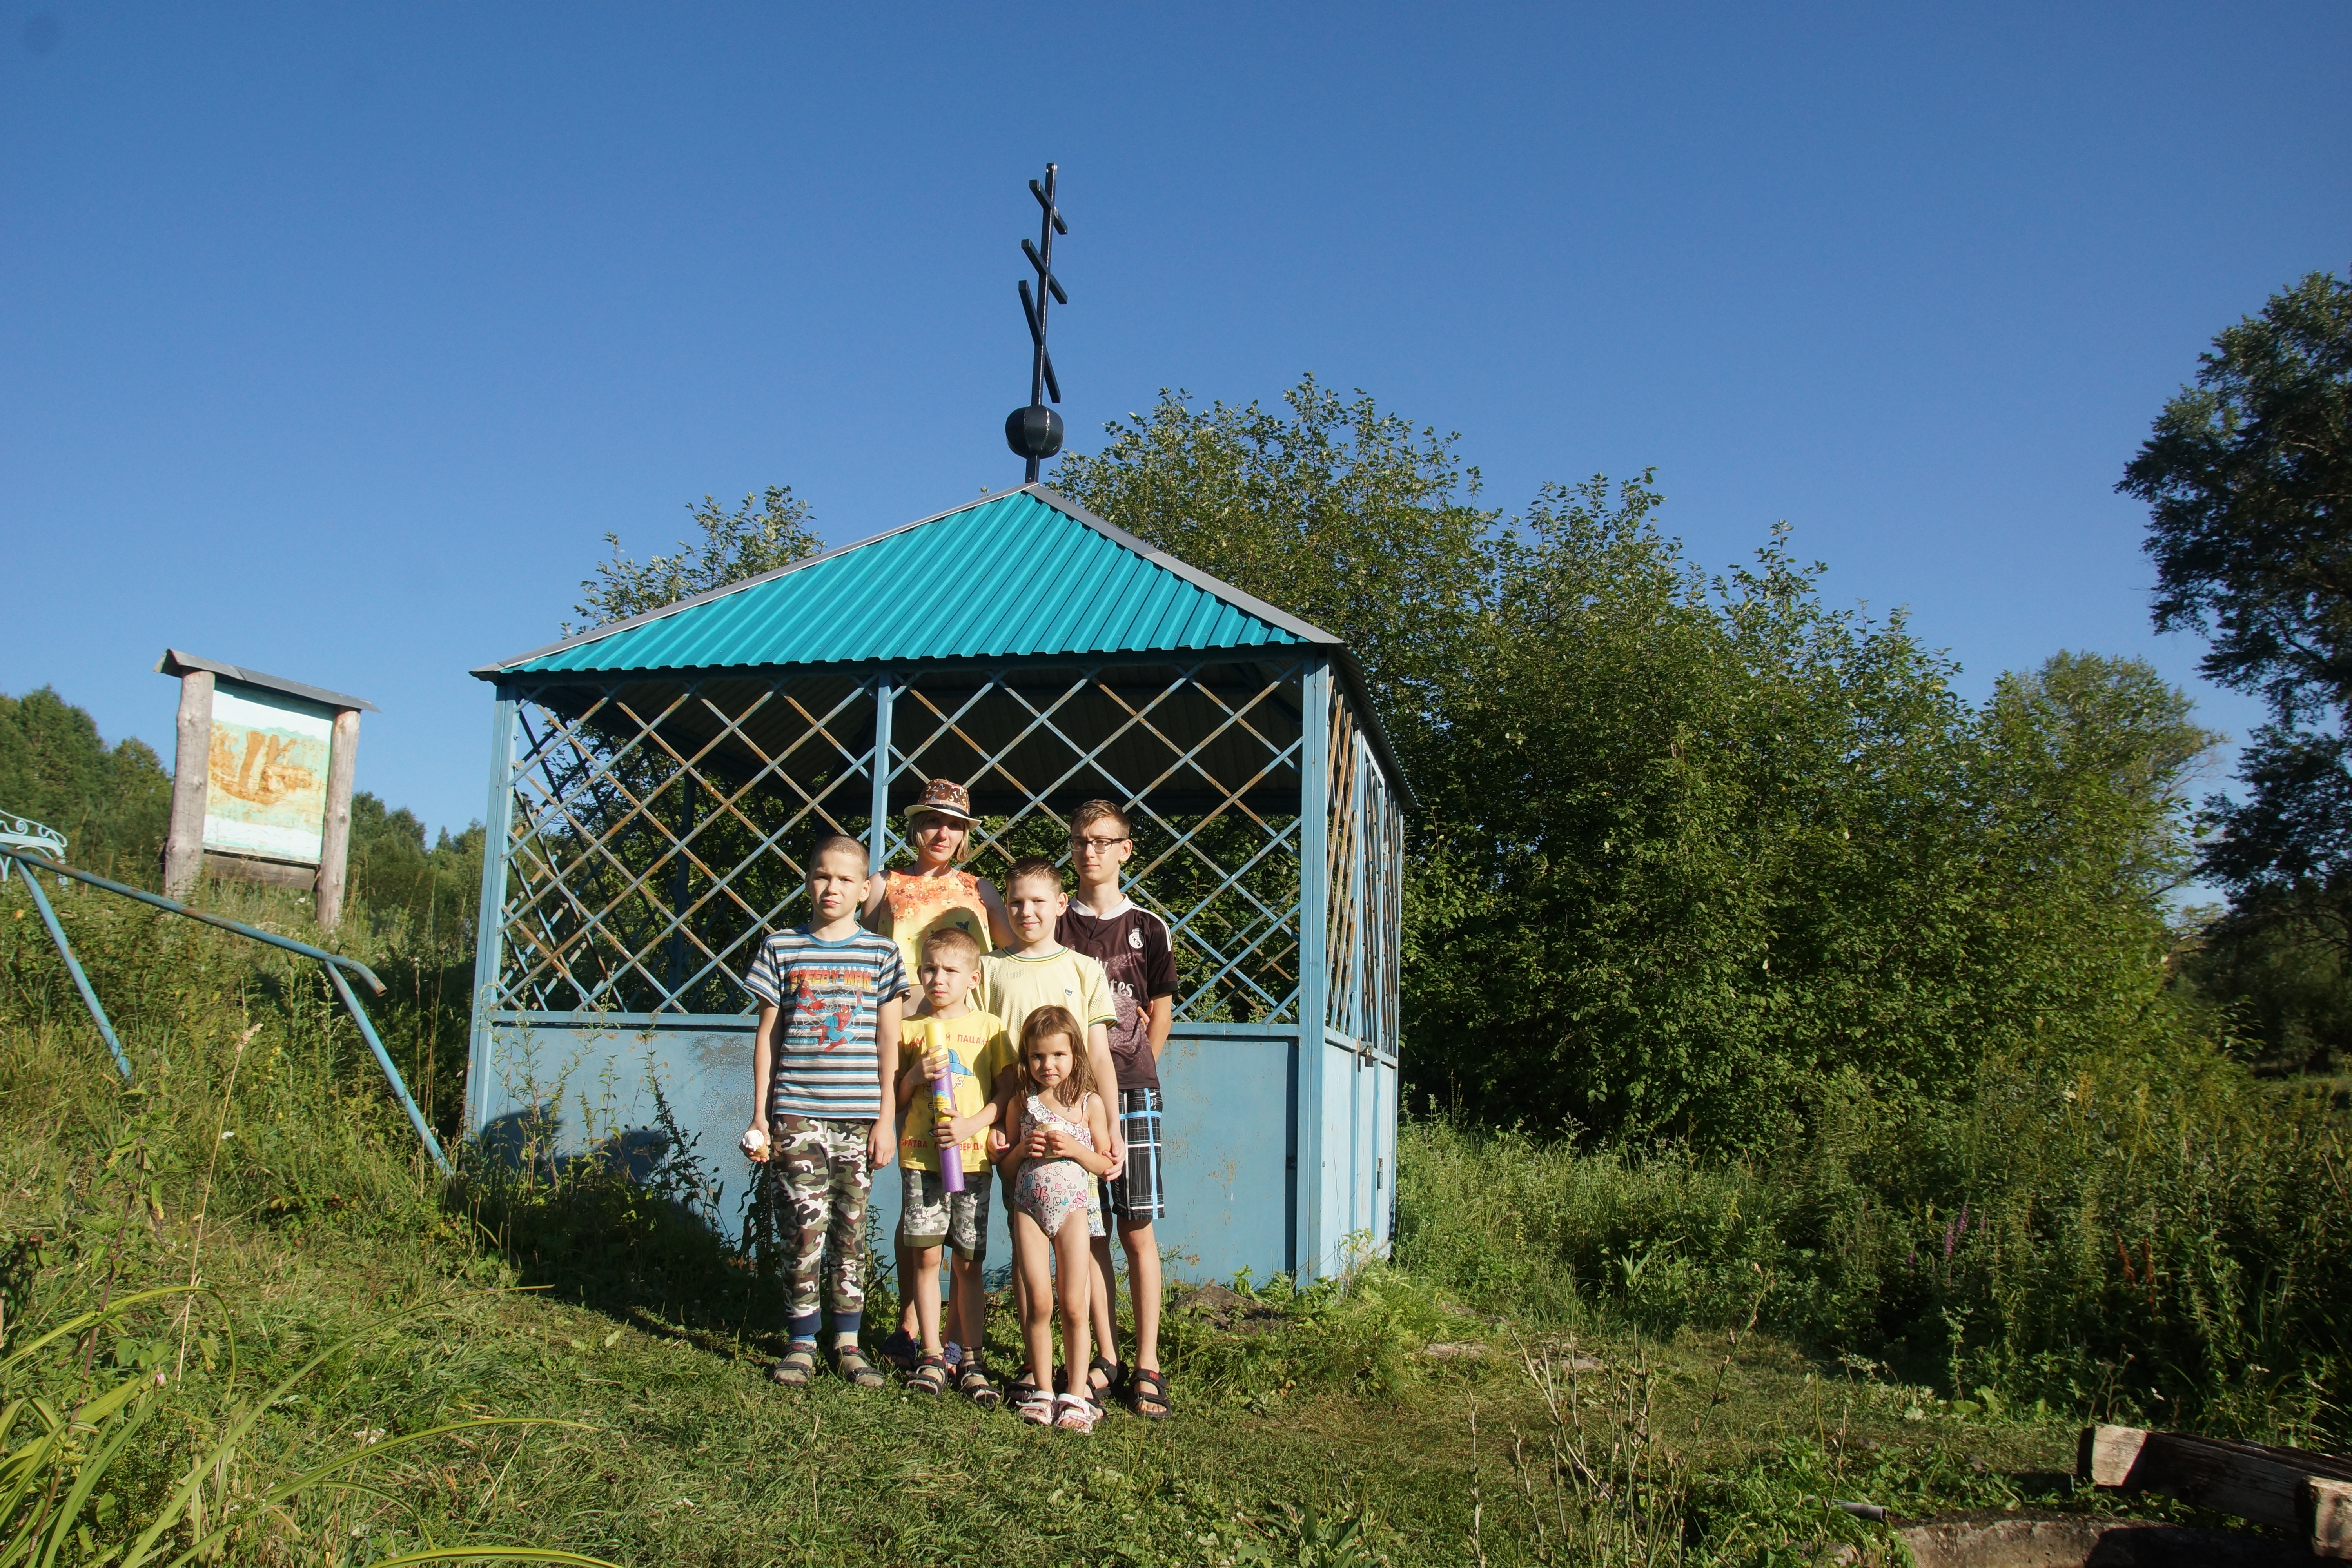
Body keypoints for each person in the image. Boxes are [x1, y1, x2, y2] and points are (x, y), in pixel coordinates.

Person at [742, 833, 903, 1390]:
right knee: (803, 1228)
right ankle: (802, 1341)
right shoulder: (781, 947)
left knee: (850, 1231)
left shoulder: (882, 955)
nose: (831, 887)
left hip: (859, 1118)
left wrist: (886, 1119)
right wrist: (761, 1115)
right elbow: (769, 1036)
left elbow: (889, 1042)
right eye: (821, 875)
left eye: (844, 879)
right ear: (808, 880)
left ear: (864, 889)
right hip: (797, 1114)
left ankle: (849, 1343)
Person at [862, 777, 1013, 1373]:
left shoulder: (980, 889)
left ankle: (956, 1337)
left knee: (962, 1201)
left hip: (966, 1046)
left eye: (953, 824)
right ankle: (911, 1324)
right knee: (917, 1183)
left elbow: (1012, 954)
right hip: (901, 1039)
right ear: (914, 826)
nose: (941, 833)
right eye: (931, 821)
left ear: (966, 834)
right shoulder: (886, 884)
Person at [976, 855, 1122, 1406]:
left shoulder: (1084, 969)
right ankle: (1034, 1368)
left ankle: (1090, 1369)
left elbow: (1101, 1057)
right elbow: (981, 1053)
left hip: (1077, 1132)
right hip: (1015, 1125)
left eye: (1038, 901)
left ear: (1061, 904)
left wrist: (1112, 1128)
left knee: (1083, 1255)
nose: (1026, 912)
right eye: (1015, 902)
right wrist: (993, 1123)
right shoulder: (989, 969)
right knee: (1026, 1251)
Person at [1056, 800, 1177, 1420]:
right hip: (1070, 1099)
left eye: (1103, 841)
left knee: (1136, 1229)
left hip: (1132, 1093)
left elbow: (1163, 1012)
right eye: (1081, 840)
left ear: (1126, 849)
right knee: (1088, 1230)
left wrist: (1135, 1075)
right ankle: (1105, 1357)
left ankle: (1147, 1364)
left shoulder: (1149, 928)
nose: (1091, 851)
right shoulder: (1054, 923)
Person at [890, 926, 1012, 1405]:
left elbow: (1006, 1091)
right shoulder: (908, 1029)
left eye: (950, 971)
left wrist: (971, 1126)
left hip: (973, 1162)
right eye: (929, 969)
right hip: (920, 1159)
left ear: (974, 978)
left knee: (967, 1262)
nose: (938, 979)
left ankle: (971, 1358)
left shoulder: (991, 1029)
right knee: (926, 1257)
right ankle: (931, 1353)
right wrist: (914, 1076)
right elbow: (896, 1096)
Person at [992, 1004, 1115, 1433]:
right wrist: (1021, 1151)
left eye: (1059, 1055)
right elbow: (1006, 1170)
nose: (1048, 1065)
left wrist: (1075, 1150)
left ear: (1075, 1054)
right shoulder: (1021, 1103)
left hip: (1074, 1211)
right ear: (1026, 1058)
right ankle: (1044, 1390)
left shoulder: (1089, 1103)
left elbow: (1104, 1164)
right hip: (1029, 1209)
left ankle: (1076, 1394)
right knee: (1039, 1302)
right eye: (1038, 1056)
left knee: (1075, 1304)